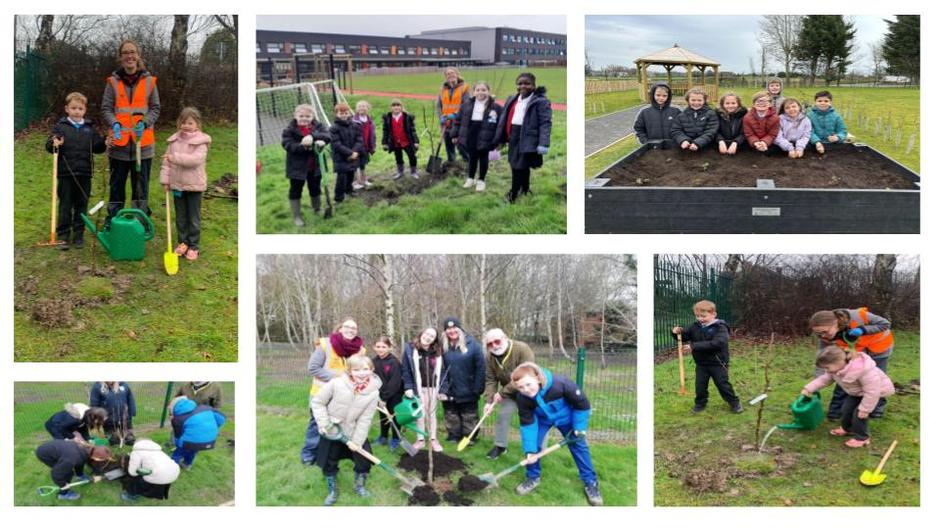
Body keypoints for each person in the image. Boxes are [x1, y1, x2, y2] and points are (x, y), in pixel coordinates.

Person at [511, 362, 603, 506]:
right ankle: (532, 477)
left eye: (528, 384)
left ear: (538, 378)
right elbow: (528, 425)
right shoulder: (523, 398)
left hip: (567, 418)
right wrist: (529, 450)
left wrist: (579, 427)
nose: (526, 390)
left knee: (579, 446)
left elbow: (582, 404)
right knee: (533, 446)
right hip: (542, 419)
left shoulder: (561, 384)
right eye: (521, 387)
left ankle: (591, 482)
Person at [102, 39, 160, 223]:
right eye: (126, 52)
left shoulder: (150, 82)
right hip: (119, 145)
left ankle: (139, 222)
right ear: (121, 57)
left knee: (140, 188)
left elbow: (155, 108)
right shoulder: (112, 82)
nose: (129, 56)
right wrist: (114, 123)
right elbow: (106, 109)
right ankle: (113, 221)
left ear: (138, 55)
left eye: (132, 52)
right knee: (116, 186)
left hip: (142, 147)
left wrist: (145, 121)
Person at [312, 353, 381, 506]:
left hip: (353, 430)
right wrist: (324, 424)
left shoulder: (374, 392)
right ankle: (332, 489)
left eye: (365, 369)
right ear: (349, 370)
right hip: (331, 430)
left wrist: (356, 442)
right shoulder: (336, 383)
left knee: (364, 460)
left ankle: (359, 485)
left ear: (371, 369)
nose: (361, 373)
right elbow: (317, 403)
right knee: (328, 461)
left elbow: (365, 419)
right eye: (356, 370)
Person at [44, 92, 108, 249]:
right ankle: (63, 235)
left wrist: (105, 141)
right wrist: (54, 143)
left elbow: (98, 147)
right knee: (65, 204)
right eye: (73, 108)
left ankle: (79, 235)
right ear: (67, 109)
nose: (77, 111)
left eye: (80, 108)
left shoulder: (89, 128)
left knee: (82, 204)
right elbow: (50, 146)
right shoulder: (61, 127)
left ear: (84, 110)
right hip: (66, 173)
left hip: (85, 172)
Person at [802, 345, 895, 448]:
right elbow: (824, 380)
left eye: (827, 367)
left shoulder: (863, 370)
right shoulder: (834, 370)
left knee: (859, 414)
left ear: (840, 361)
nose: (826, 370)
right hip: (857, 393)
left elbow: (873, 391)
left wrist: (865, 409)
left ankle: (862, 438)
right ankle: (848, 429)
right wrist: (808, 388)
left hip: (876, 392)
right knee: (846, 409)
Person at [302, 319, 366, 465]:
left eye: (354, 328)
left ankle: (332, 455)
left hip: (344, 396)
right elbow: (313, 368)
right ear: (340, 329)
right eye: (347, 327)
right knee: (316, 423)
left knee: (339, 424)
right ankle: (308, 454)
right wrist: (338, 379)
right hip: (322, 393)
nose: (350, 330)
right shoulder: (326, 345)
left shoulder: (360, 350)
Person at [809, 308, 893, 419]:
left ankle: (876, 410)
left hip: (879, 348)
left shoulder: (858, 316)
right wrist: (817, 381)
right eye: (819, 333)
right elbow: (822, 358)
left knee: (876, 381)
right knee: (844, 377)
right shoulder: (824, 337)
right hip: (856, 353)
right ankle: (836, 411)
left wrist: (862, 330)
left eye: (825, 331)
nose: (822, 336)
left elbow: (885, 324)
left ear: (835, 323)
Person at [672, 300, 743, 414]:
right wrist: (677, 332)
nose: (700, 318)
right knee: (700, 386)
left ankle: (734, 403)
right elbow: (684, 336)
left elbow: (718, 343)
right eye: (697, 316)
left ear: (713, 314)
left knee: (722, 384)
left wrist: (694, 346)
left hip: (718, 363)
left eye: (703, 316)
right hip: (701, 363)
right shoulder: (695, 326)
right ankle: (700, 404)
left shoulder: (720, 327)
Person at [159, 107, 211, 261]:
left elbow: (195, 161)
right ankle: (183, 242)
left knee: (193, 217)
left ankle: (194, 246)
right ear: (179, 123)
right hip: (177, 186)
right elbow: (166, 164)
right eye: (183, 122)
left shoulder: (201, 142)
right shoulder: (174, 141)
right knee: (180, 216)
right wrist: (165, 181)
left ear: (197, 124)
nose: (186, 125)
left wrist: (174, 157)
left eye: (190, 123)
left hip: (194, 186)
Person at [493, 72, 553, 203]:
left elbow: (545, 123)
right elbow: (504, 119)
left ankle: (514, 193)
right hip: (513, 135)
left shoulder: (540, 102)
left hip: (528, 137)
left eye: (527, 83)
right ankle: (525, 189)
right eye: (520, 83)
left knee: (518, 165)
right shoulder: (513, 99)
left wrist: (543, 143)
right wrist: (501, 138)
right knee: (519, 164)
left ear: (533, 85)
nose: (523, 86)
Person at [481, 328, 535, 459]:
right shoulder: (489, 356)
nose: (494, 346)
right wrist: (489, 401)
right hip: (509, 393)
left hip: (529, 390)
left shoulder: (522, 349)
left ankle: (534, 450)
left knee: (531, 420)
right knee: (503, 416)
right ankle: (500, 446)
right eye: (489, 344)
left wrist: (501, 393)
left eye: (497, 341)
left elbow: (527, 373)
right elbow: (490, 379)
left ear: (505, 338)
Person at [282, 103, 331, 227]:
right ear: (295, 115)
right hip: (297, 168)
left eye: (308, 116)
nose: (304, 118)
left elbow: (327, 136)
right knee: (295, 190)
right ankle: (297, 216)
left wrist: (315, 137)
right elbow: (287, 145)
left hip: (316, 166)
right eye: (301, 115)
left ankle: (317, 208)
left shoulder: (318, 126)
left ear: (313, 116)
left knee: (315, 188)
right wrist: (303, 146)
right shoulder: (289, 130)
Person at [439, 317, 485, 444]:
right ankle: (453, 435)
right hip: (449, 389)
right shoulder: (442, 347)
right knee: (451, 414)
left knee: (469, 415)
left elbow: (481, 368)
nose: (451, 331)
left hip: (468, 388)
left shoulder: (473, 346)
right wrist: (442, 388)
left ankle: (469, 437)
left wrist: (478, 387)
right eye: (448, 329)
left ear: (460, 329)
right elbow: (439, 368)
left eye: (454, 328)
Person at [452, 81, 502, 192]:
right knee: (472, 157)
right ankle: (470, 178)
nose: (480, 92)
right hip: (471, 133)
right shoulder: (466, 105)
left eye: (484, 90)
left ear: (488, 92)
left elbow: (500, 125)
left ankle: (481, 180)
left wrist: (499, 139)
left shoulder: (495, 107)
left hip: (486, 134)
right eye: (478, 90)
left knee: (483, 157)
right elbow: (458, 120)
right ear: (473, 92)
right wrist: (455, 134)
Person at [401, 327, 443, 452]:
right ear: (421, 334)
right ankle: (420, 440)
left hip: (433, 387)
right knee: (420, 414)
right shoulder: (410, 349)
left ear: (434, 340)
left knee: (432, 413)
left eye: (432, 336)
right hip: (417, 388)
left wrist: (442, 389)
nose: (428, 337)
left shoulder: (437, 351)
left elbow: (443, 370)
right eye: (427, 334)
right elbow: (406, 369)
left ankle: (433, 439)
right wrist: (408, 387)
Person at [35, 440, 111, 501]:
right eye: (102, 460)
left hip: (56, 448)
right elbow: (56, 474)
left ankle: (80, 475)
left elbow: (85, 461)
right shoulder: (71, 459)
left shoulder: (88, 449)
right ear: (96, 457)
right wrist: (63, 485)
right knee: (68, 473)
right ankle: (63, 494)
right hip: (44, 454)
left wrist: (98, 474)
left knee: (80, 461)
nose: (101, 461)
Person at [169, 396, 226, 469]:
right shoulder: (205, 408)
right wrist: (212, 427)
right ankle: (187, 465)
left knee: (178, 453)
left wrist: (178, 445)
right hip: (210, 440)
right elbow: (222, 418)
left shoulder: (177, 419)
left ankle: (172, 468)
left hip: (189, 442)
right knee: (192, 451)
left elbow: (178, 435)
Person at [371, 336, 404, 451]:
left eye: (384, 347)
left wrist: (384, 398)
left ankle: (395, 438)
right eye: (378, 347)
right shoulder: (374, 361)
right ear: (374, 347)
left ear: (389, 348)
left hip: (394, 395)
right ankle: (383, 437)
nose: (380, 349)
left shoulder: (393, 362)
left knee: (394, 416)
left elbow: (394, 383)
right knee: (383, 415)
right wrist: (379, 396)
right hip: (380, 395)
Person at [329, 103, 363, 203]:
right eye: (341, 113)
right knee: (341, 178)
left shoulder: (355, 125)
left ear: (349, 113)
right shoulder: (333, 128)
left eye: (346, 113)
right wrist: (349, 153)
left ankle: (349, 190)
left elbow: (359, 139)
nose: (344, 115)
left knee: (351, 174)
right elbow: (336, 144)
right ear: (336, 114)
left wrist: (355, 151)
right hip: (341, 157)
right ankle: (339, 198)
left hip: (354, 155)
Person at [436, 67, 470, 165]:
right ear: (446, 77)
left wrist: (455, 115)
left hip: (459, 121)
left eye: (452, 73)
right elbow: (439, 105)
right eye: (448, 74)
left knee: (460, 143)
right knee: (448, 143)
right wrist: (441, 117)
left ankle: (468, 161)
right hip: (446, 121)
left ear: (457, 74)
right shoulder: (443, 89)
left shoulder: (464, 88)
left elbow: (466, 105)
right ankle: (452, 161)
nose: (450, 75)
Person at [670, 87, 718, 152]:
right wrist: (683, 140)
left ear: (704, 101)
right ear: (688, 100)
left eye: (699, 100)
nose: (696, 103)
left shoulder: (711, 114)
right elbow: (675, 130)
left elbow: (711, 131)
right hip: (687, 147)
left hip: (706, 147)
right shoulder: (682, 115)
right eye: (693, 100)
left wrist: (698, 143)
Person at [381, 99, 420, 179]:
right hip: (395, 141)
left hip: (406, 141)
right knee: (398, 157)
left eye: (398, 105)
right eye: (394, 105)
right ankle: (400, 172)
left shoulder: (407, 117)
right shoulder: (388, 118)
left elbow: (413, 130)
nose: (396, 107)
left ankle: (413, 172)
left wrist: (416, 141)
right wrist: (384, 142)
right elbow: (385, 131)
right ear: (391, 108)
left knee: (412, 156)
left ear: (402, 107)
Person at [634, 82, 680, 148]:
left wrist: (679, 141)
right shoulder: (644, 111)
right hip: (652, 148)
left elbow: (683, 128)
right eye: (658, 95)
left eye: (664, 96)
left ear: (669, 96)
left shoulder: (676, 110)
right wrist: (646, 143)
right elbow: (638, 129)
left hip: (673, 147)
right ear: (653, 95)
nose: (661, 98)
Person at [89, 382, 136, 446]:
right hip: (108, 420)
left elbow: (130, 399)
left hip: (125, 418)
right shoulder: (98, 387)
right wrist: (95, 416)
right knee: (114, 442)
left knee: (130, 441)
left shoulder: (124, 385)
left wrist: (132, 411)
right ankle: (113, 437)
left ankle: (128, 436)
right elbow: (94, 403)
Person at [808, 90, 848, 154]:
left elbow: (842, 131)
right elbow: (809, 132)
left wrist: (837, 137)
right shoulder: (809, 116)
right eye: (819, 101)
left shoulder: (836, 116)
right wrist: (817, 142)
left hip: (833, 145)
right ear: (815, 102)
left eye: (826, 101)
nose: (823, 103)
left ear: (830, 102)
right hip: (814, 145)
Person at [352, 100, 376, 190]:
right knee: (355, 165)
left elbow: (372, 134)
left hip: (366, 146)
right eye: (359, 106)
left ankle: (364, 180)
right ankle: (355, 182)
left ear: (368, 108)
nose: (361, 108)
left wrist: (372, 146)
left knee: (363, 164)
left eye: (363, 106)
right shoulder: (353, 120)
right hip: (356, 147)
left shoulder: (370, 121)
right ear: (356, 109)